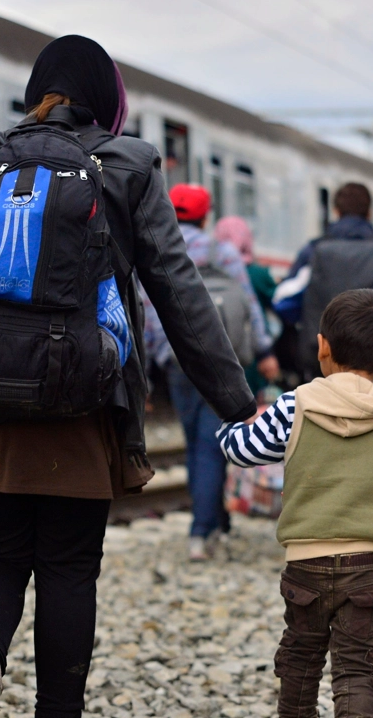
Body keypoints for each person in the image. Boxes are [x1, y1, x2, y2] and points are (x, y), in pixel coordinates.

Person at [0, 36, 256, 718]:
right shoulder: (128, 164)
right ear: (107, 98)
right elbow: (179, 294)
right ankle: (58, 710)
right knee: (68, 567)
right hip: (80, 408)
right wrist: (237, 404)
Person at [219, 289, 373, 718]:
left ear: (322, 347)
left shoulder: (293, 407)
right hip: (367, 566)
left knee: (300, 658)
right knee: (356, 666)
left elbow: (241, 450)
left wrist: (226, 423)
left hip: (306, 565)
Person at [143, 185, 279, 562]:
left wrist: (151, 360)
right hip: (221, 358)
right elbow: (249, 304)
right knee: (212, 444)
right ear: (205, 217)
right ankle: (204, 529)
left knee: (196, 444)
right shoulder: (224, 252)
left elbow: (147, 307)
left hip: (176, 359)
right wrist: (264, 349)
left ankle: (210, 523)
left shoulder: (154, 245)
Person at [273, 182, 373, 380]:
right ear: (369, 213)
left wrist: (309, 324)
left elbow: (283, 301)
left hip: (323, 362)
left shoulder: (314, 250)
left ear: (336, 211)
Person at [214, 215, 279, 396]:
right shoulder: (258, 273)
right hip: (250, 347)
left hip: (222, 343)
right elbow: (276, 301)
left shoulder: (214, 271)